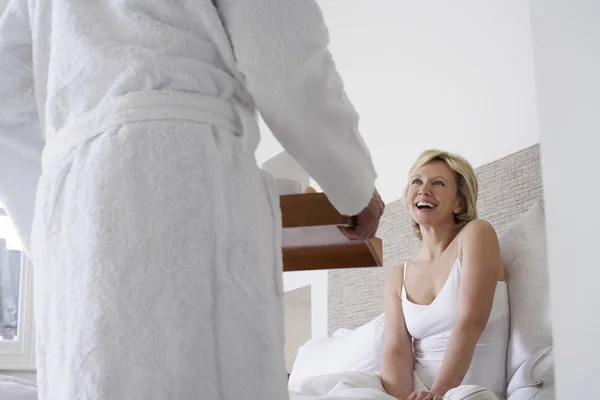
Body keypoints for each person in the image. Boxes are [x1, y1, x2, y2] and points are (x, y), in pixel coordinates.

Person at [0, 0, 385, 399]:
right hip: (178, 170)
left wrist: (49, 233)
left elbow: (5, 89)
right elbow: (282, 55)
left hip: (71, 200)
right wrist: (352, 185)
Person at [381, 150, 509, 400]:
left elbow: (471, 321)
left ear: (459, 203)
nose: (423, 190)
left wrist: (438, 394)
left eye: (437, 183)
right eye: (416, 181)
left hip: (464, 392)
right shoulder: (397, 277)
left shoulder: (476, 235)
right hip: (415, 393)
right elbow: (396, 350)